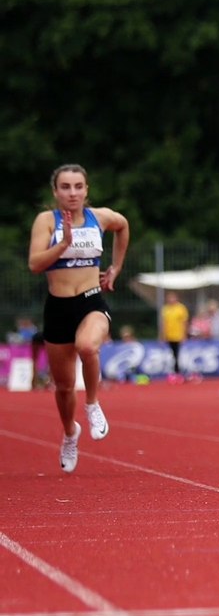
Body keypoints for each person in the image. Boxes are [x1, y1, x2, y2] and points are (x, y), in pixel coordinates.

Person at [27, 163, 130, 473]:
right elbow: (34, 264)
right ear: (56, 191)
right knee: (63, 387)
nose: (72, 193)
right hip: (58, 308)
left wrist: (116, 267)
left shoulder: (100, 217)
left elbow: (123, 226)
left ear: (86, 190)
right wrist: (62, 244)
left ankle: (93, 404)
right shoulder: (47, 221)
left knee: (88, 346)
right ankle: (70, 432)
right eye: (65, 187)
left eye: (78, 186)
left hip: (90, 301)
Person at [160, 292, 189, 374]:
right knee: (171, 354)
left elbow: (185, 322)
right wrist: (163, 335)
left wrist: (185, 334)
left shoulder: (181, 308)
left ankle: (179, 371)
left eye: (172, 298)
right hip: (169, 335)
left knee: (178, 354)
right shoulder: (165, 309)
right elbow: (164, 323)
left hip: (178, 335)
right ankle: (173, 370)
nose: (171, 300)